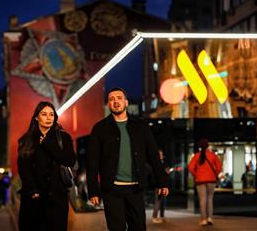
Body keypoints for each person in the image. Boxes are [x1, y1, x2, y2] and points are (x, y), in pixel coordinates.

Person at [86, 87, 169, 231]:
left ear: (126, 102)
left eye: (119, 98)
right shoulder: (100, 129)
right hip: (111, 190)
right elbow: (92, 161)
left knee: (138, 227)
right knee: (116, 228)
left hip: (135, 188)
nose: (115, 102)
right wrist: (93, 191)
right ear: (108, 104)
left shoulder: (140, 126)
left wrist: (162, 182)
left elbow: (153, 156)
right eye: (111, 99)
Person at [17, 101, 75, 231]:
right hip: (34, 198)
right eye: (44, 114)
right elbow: (23, 169)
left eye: (51, 114)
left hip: (57, 198)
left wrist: (49, 145)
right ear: (36, 117)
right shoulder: (26, 140)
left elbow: (70, 160)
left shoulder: (63, 137)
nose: (48, 118)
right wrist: (33, 191)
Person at [188, 138, 222, 226]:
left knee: (202, 199)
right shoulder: (213, 155)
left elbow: (190, 167)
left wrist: (196, 175)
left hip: (200, 180)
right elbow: (219, 167)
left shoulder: (196, 156)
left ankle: (203, 219)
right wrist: (215, 174)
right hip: (211, 180)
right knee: (210, 199)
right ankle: (210, 218)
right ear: (208, 146)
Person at [152, 149, 171, 224]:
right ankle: (154, 217)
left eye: (162, 154)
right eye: (159, 154)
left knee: (163, 202)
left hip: (164, 185)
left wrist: (167, 171)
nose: (161, 156)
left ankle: (162, 216)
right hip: (158, 185)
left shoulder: (163, 162)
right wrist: (165, 171)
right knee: (158, 201)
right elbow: (157, 175)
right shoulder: (156, 163)